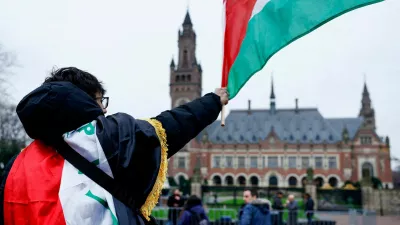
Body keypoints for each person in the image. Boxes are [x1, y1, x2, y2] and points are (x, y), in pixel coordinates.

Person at [0, 67, 228, 225]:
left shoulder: (17, 165)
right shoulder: (105, 136)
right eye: (100, 101)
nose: (105, 109)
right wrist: (213, 101)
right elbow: (168, 127)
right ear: (84, 100)